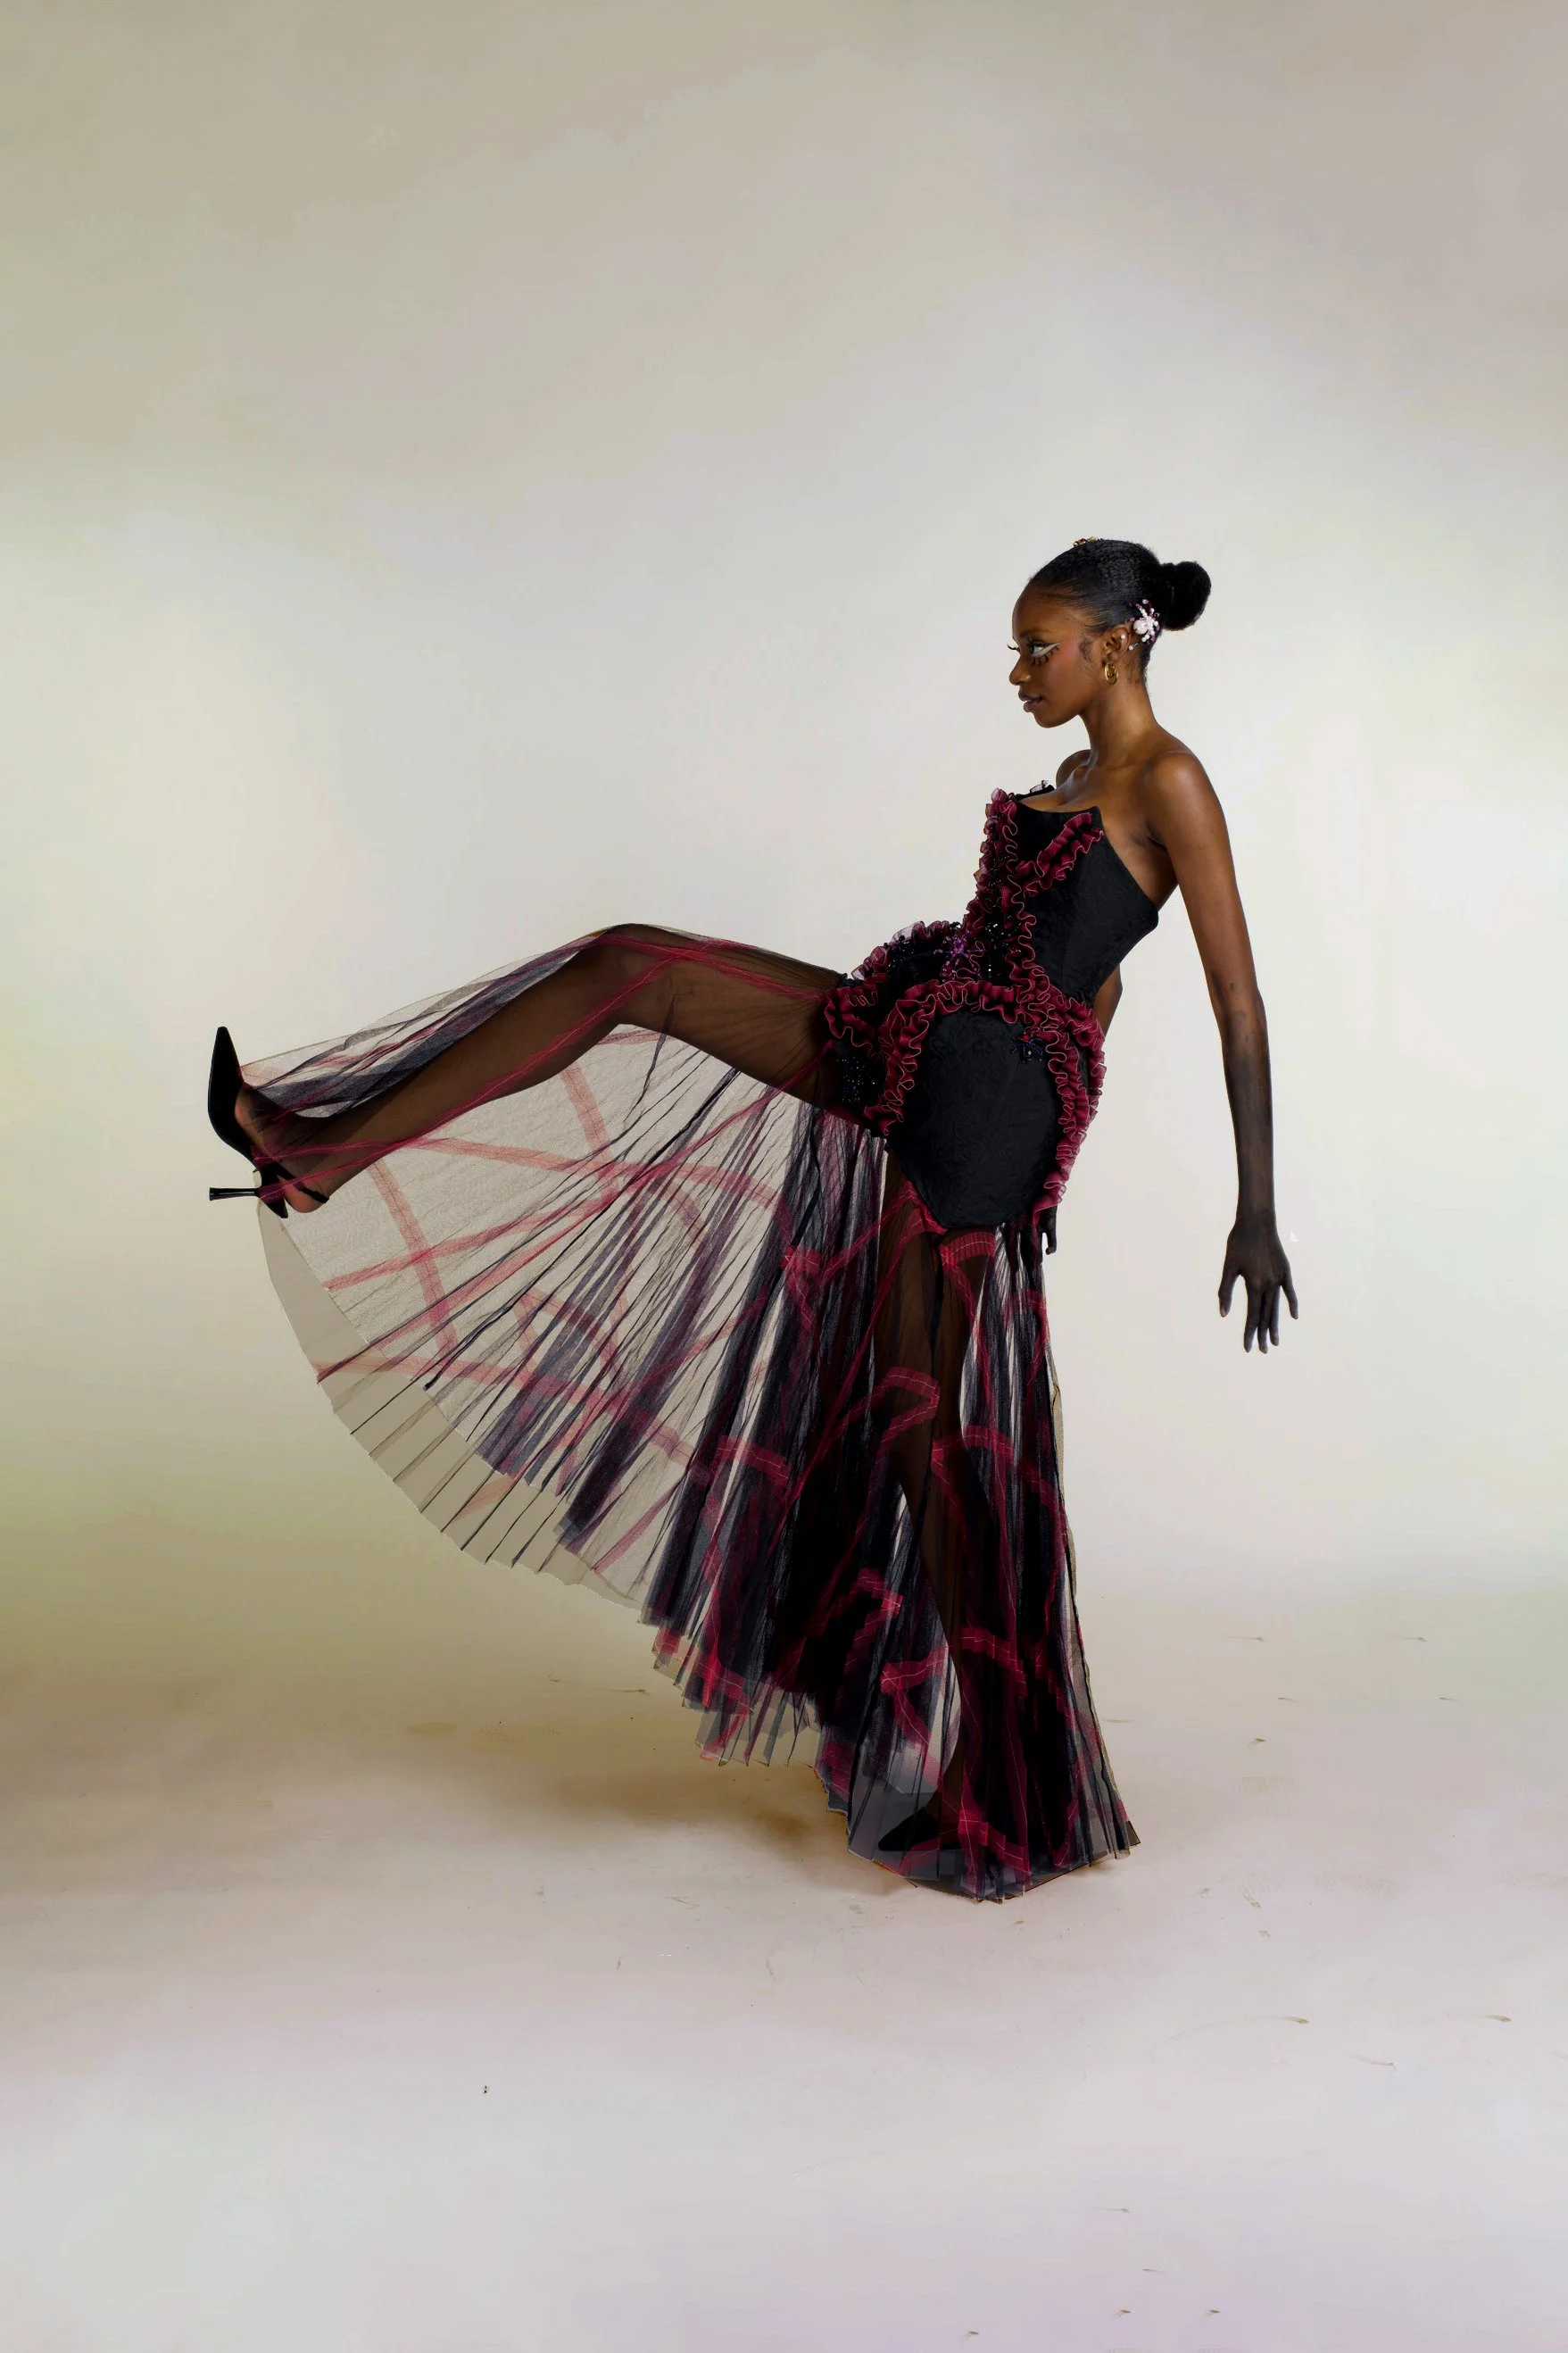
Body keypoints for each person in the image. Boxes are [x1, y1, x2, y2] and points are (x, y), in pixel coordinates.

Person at [209, 536, 1296, 1900]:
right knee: (634, 966)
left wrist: (1252, 1206)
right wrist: (1062, 1045)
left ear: (1117, 642)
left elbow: (1234, 997)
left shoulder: (1168, 780)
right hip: (927, 1034)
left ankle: (1004, 1768)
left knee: (919, 1425)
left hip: (983, 1105)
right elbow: (1086, 968)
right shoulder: (1081, 777)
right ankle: (321, 1148)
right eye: (1015, 648)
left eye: (1040, 647)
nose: (1019, 672)